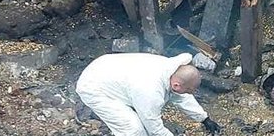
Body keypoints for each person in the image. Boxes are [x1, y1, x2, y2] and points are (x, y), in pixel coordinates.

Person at [76, 52, 222, 136]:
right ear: (176, 85)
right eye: (191, 90)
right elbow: (154, 128)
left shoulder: (172, 69)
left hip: (110, 70)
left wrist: (204, 119)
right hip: (94, 86)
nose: (192, 93)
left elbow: (183, 96)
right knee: (133, 129)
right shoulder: (150, 92)